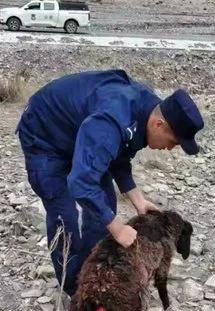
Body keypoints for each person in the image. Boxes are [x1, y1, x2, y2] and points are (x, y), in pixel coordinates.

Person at [16, 69, 204, 296]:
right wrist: (117, 228)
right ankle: (77, 292)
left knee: (104, 207)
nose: (171, 148)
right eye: (173, 141)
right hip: (44, 135)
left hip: (83, 136)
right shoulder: (112, 120)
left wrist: (138, 200)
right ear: (158, 124)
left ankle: (93, 274)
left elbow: (119, 153)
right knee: (65, 216)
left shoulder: (145, 111)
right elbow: (81, 183)